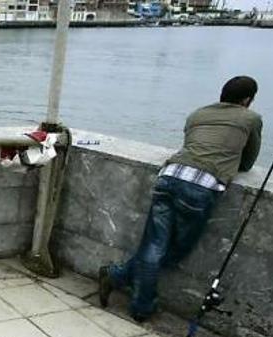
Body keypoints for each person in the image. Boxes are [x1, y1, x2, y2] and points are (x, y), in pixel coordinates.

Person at [98, 76, 262, 322]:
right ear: (247, 100)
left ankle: (117, 276)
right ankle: (141, 306)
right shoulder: (251, 119)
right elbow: (247, 162)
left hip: (170, 175)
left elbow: (192, 146)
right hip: (200, 188)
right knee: (173, 251)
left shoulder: (197, 114)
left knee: (155, 245)